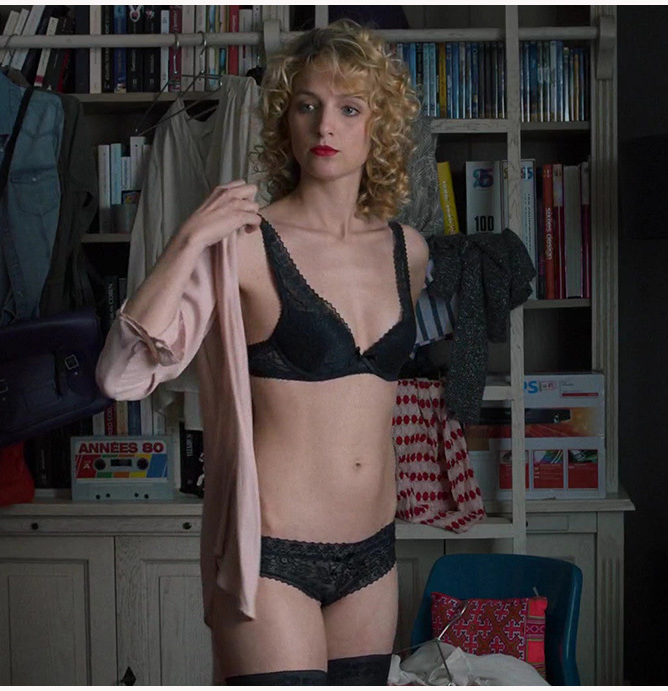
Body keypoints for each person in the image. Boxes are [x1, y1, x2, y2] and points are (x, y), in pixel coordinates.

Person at [96, 20, 428, 685]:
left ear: (379, 126)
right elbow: (119, 375)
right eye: (307, 105)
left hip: (372, 555)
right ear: (285, 120)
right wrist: (190, 238)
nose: (325, 124)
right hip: (271, 555)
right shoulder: (245, 243)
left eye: (349, 108)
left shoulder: (408, 251)